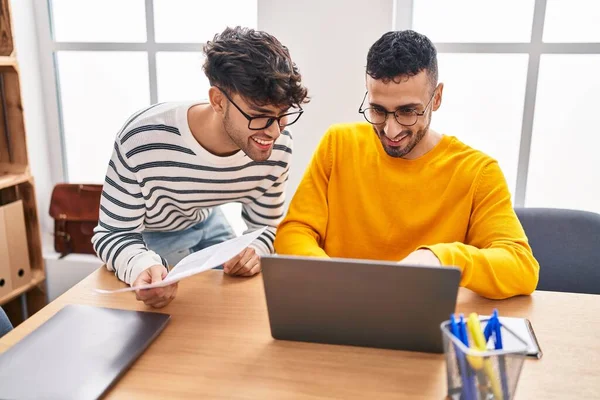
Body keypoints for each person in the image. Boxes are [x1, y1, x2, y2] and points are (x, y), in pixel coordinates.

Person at [274, 30, 539, 299]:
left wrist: (440, 258)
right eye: (378, 109)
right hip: (339, 308)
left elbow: (521, 266)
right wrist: (332, 279)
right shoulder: (338, 144)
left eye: (407, 111)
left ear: (436, 98)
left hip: (424, 322)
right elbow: (294, 232)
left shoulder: (477, 172)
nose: (390, 129)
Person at [93, 26, 309, 308]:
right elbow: (111, 233)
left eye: (282, 116)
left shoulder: (277, 145)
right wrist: (138, 265)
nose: (274, 132)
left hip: (208, 222)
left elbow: (267, 227)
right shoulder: (142, 138)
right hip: (149, 237)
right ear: (218, 101)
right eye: (260, 116)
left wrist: (255, 249)